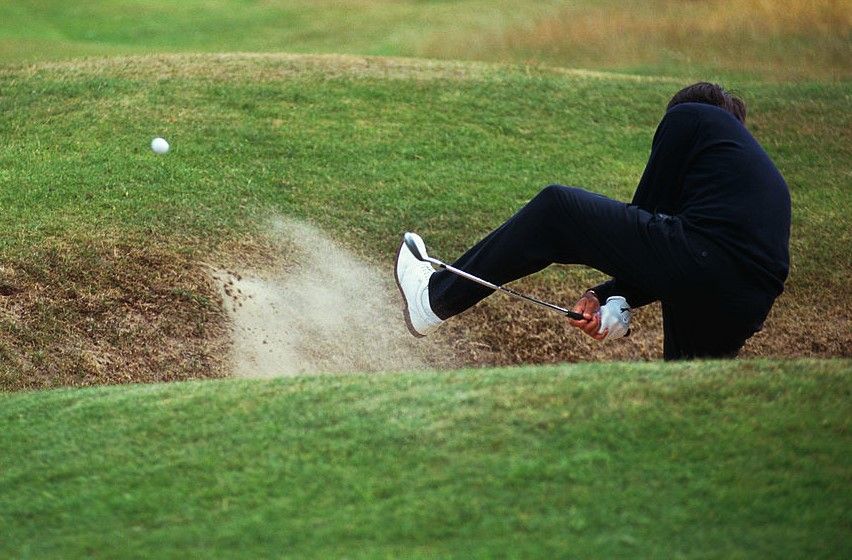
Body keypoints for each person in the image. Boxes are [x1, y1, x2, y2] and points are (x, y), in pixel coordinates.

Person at [395, 83, 791, 360]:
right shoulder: (752, 179)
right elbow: (672, 257)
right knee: (690, 399)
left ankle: (432, 299)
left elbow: (646, 222)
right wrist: (609, 298)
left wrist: (617, 294)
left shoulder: (694, 115)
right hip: (745, 304)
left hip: (705, 260)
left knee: (557, 209)